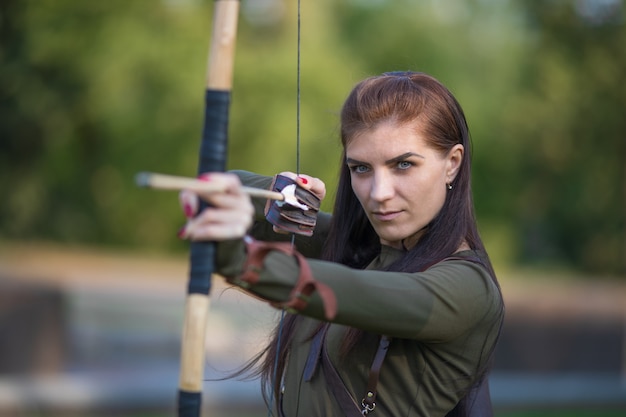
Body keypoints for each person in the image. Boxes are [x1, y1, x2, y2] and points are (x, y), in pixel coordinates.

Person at [178, 71, 504, 417]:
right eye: (361, 168)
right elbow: (216, 189)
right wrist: (279, 194)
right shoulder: (358, 248)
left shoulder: (469, 289)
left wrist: (243, 260)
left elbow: (347, 290)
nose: (378, 193)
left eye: (403, 165)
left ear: (452, 163)